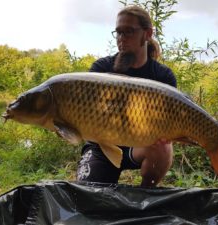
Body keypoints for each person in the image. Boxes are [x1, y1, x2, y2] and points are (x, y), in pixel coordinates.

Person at [76, 5, 177, 187]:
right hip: (101, 145)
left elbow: (168, 125)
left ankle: (146, 193)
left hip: (139, 146)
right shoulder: (100, 69)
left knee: (164, 147)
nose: (121, 39)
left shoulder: (163, 77)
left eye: (128, 32)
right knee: (88, 196)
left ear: (147, 34)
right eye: (118, 33)